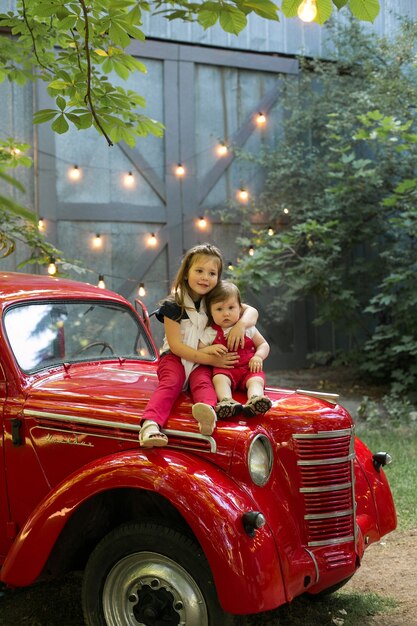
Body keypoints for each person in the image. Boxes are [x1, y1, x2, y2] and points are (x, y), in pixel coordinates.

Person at [139, 244, 258, 447]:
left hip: (201, 361)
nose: (205, 277)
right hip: (176, 357)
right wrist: (212, 359)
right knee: (171, 382)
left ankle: (207, 414)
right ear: (186, 273)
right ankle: (150, 425)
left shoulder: (215, 301)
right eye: (199, 271)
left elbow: (251, 311)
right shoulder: (173, 305)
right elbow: (177, 346)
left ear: (218, 277)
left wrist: (241, 324)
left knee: (203, 383)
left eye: (212, 273)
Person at [194, 280, 271, 422]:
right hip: (226, 369)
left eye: (231, 308)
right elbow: (199, 348)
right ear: (210, 311)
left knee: (256, 380)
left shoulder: (248, 328)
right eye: (219, 309)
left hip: (249, 368)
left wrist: (258, 357)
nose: (226, 314)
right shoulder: (211, 332)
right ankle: (227, 402)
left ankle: (255, 400)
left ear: (240, 308)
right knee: (219, 379)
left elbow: (264, 345)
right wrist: (209, 349)